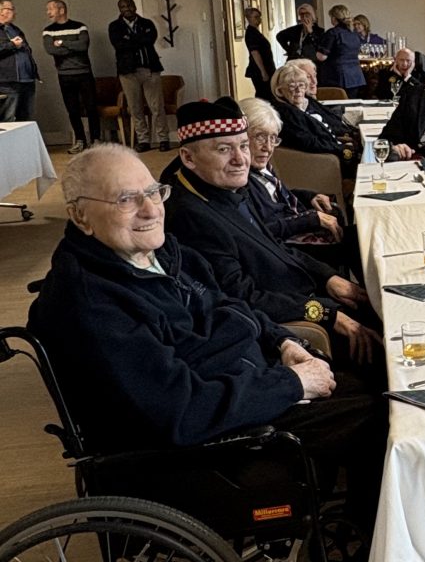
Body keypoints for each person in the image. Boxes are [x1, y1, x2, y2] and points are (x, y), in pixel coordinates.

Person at [26, 143, 385, 531]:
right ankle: (376, 553)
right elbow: (180, 410)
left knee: (382, 383)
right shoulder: (91, 305)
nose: (150, 210)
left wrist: (282, 342)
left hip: (248, 385)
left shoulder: (161, 254)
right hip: (206, 446)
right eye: (126, 200)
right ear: (80, 215)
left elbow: (230, 302)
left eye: (152, 192)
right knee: (384, 417)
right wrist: (289, 383)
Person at [163, 97, 381, 368]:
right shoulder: (190, 215)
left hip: (307, 291)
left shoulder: (224, 186)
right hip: (294, 319)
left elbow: (276, 247)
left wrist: (328, 277)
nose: (240, 159)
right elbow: (242, 297)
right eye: (223, 149)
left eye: (243, 146)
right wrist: (325, 313)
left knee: (386, 302)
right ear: (188, 157)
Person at [239, 96, 359, 273]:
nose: (268, 147)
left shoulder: (261, 167)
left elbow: (275, 195)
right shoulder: (241, 178)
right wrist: (309, 218)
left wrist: (309, 196)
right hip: (288, 250)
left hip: (298, 230)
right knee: (359, 243)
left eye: (273, 138)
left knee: (364, 234)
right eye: (260, 137)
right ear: (241, 138)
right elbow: (261, 231)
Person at [269, 63, 360, 178]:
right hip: (320, 164)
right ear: (280, 91)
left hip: (331, 151)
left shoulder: (303, 104)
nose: (298, 91)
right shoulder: (285, 114)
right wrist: (341, 148)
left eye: (302, 85)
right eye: (292, 87)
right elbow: (309, 143)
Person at [108, 0, 169, 152]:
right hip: (128, 73)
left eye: (129, 5)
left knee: (157, 107)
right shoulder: (115, 27)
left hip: (150, 70)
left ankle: (163, 138)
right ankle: (143, 140)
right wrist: (138, 40)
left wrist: (130, 40)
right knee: (135, 108)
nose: (126, 8)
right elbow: (119, 45)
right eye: (123, 6)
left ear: (134, 7)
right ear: (119, 9)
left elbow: (150, 40)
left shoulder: (147, 23)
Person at [41, 0, 99, 153]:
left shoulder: (80, 26)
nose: (48, 13)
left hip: (84, 73)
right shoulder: (48, 31)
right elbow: (51, 50)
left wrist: (62, 43)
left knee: (91, 107)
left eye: (50, 9)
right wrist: (71, 45)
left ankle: (95, 140)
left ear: (61, 10)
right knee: (72, 110)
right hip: (64, 75)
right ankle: (80, 140)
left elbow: (83, 46)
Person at [0, 0, 39, 122]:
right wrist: (11, 45)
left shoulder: (16, 29)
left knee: (26, 120)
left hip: (27, 80)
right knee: (8, 119)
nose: (14, 12)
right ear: (1, 11)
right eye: (11, 9)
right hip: (8, 82)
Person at [316, 4, 365, 98]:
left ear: (334, 18)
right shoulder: (354, 33)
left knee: (336, 106)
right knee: (351, 105)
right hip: (355, 76)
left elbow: (321, 57)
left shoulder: (332, 33)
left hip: (336, 76)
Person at [243, 6, 276, 101]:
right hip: (259, 70)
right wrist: (263, 72)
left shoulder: (255, 32)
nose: (259, 19)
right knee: (264, 94)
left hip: (266, 68)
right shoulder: (251, 33)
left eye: (259, 17)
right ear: (248, 18)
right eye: (256, 17)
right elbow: (255, 53)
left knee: (267, 93)